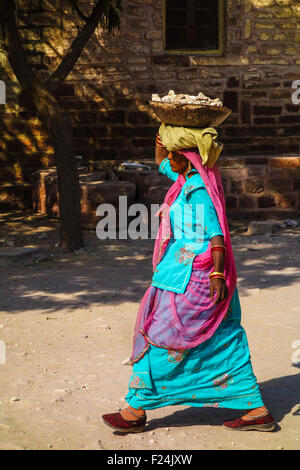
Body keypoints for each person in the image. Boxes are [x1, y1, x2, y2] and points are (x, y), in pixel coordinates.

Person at [102, 130, 276, 433]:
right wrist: (161, 136)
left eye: (175, 154)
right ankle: (255, 408)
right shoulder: (183, 180)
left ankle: (136, 408)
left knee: (160, 336)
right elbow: (160, 162)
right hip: (174, 274)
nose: (169, 159)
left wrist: (218, 274)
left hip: (197, 279)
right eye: (171, 153)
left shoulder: (198, 191)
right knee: (220, 338)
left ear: (191, 159)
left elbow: (217, 235)